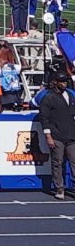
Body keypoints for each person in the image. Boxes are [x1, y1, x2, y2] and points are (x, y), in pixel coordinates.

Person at [38, 70, 75, 199]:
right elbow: (44, 118)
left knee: (74, 161)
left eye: (65, 81)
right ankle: (60, 189)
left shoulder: (70, 96)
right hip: (56, 135)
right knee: (57, 162)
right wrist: (48, 136)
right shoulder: (48, 98)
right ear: (54, 82)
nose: (64, 84)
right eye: (61, 81)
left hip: (71, 134)